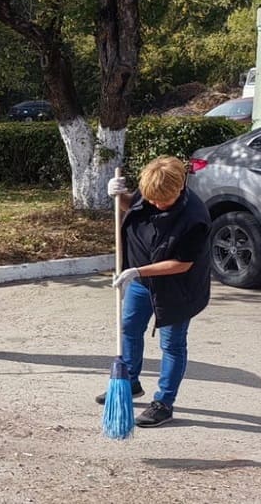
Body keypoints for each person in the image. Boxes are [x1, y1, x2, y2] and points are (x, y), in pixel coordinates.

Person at [98, 156, 211, 427]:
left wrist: (138, 271)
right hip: (141, 281)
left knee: (171, 344)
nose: (156, 204)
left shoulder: (195, 217)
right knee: (129, 327)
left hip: (177, 288)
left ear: (179, 189)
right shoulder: (152, 191)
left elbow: (181, 264)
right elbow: (133, 205)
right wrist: (116, 194)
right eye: (152, 199)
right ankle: (130, 380)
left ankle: (164, 403)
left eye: (162, 201)